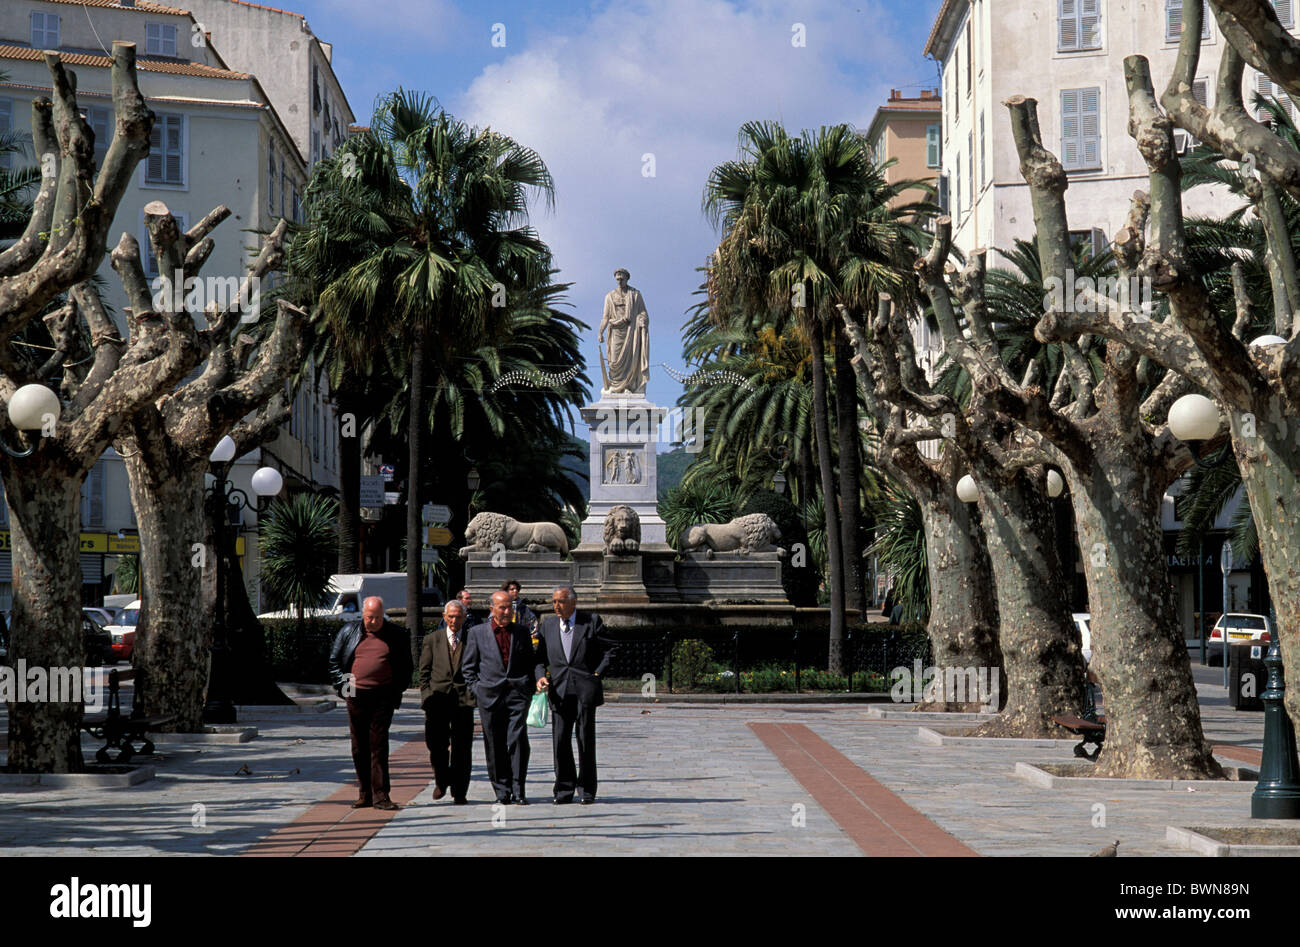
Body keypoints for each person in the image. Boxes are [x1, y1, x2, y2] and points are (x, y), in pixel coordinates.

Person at [329, 596, 413, 810]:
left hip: (382, 696)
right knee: (359, 747)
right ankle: (364, 792)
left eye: (376, 618)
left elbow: (406, 667)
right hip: (356, 696)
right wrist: (345, 690)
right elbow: (335, 662)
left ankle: (381, 795)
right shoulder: (349, 632)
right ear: (363, 615)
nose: (372, 622)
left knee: (378, 745)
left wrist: (395, 690)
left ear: (383, 614)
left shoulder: (396, 635)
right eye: (368, 617)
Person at [535, 587, 616, 805]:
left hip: (584, 691)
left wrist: (597, 674)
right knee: (560, 740)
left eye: (560, 601)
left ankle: (587, 790)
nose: (556, 606)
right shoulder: (548, 626)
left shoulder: (591, 621)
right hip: (559, 691)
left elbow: (610, 650)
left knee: (585, 740)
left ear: (573, 602)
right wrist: (541, 676)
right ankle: (563, 789)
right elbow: (539, 659)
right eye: (554, 602)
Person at [461, 590, 537, 804]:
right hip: (490, 697)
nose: (507, 611)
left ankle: (519, 789)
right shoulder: (477, 633)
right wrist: (477, 690)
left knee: (518, 742)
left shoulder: (521, 632)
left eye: (510, 607)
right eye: (502, 607)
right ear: (491, 609)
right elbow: (468, 667)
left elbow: (530, 663)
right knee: (494, 745)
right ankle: (502, 791)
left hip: (517, 695)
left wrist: (527, 689)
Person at [419, 600, 476, 804]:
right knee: (436, 745)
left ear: (464, 617)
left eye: (458, 616)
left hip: (463, 701)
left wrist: (474, 693)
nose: (454, 620)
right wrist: (426, 697)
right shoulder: (432, 639)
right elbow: (423, 673)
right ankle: (441, 781)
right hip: (438, 701)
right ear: (444, 617)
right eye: (450, 616)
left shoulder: (472, 638)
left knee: (462, 748)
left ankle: (459, 791)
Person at [598, 268, 650, 395]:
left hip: (631, 332)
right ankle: (615, 386)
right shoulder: (609, 296)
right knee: (614, 361)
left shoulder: (635, 295)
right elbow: (605, 317)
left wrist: (642, 319)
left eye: (622, 279)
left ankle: (628, 386)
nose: (619, 281)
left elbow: (643, 312)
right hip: (616, 332)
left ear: (627, 278)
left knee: (630, 360)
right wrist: (600, 332)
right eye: (617, 279)